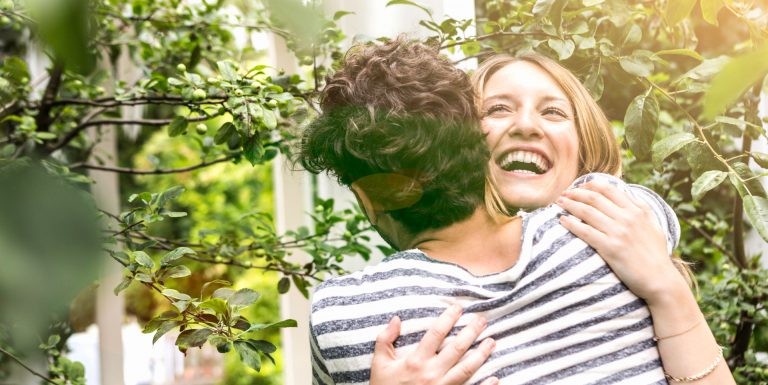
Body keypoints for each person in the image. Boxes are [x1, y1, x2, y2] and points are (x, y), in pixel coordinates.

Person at [299, 39, 734, 385]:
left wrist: (668, 290)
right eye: (498, 109)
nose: (527, 125)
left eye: (554, 112)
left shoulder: (624, 216)